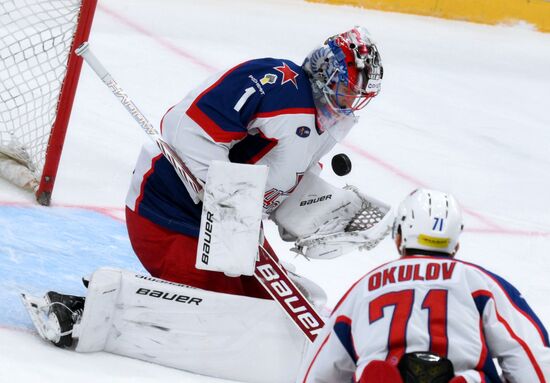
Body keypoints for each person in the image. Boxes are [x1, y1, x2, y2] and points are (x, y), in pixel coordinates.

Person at [123, 25, 383, 298]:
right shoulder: (277, 83)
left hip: (233, 229)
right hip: (167, 211)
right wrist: (230, 203)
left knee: (284, 302)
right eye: (347, 89)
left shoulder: (329, 125)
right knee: (224, 306)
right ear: (324, 74)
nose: (351, 101)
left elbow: (280, 185)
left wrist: (318, 214)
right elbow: (186, 128)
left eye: (359, 96)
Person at [296, 188, 550, 383]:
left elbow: (319, 370)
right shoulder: (479, 282)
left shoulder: (365, 287)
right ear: (455, 242)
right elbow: (530, 353)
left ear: (399, 237)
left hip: (385, 371)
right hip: (457, 373)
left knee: (375, 371)